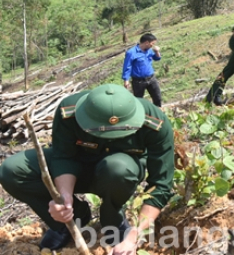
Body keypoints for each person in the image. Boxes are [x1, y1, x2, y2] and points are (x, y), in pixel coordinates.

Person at [0, 84, 175, 254]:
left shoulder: (154, 123)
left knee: (117, 168)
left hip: (118, 173)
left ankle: (113, 221)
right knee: (12, 170)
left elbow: (161, 184)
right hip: (79, 166)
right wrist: (64, 199)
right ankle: (70, 221)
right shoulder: (69, 112)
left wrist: (135, 234)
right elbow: (64, 157)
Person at [122, 33, 163, 107]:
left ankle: (158, 113)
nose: (153, 45)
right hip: (138, 81)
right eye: (152, 43)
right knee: (139, 101)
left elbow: (157, 58)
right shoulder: (131, 53)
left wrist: (157, 52)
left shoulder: (149, 50)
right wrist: (126, 80)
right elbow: (127, 66)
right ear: (147, 42)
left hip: (151, 78)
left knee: (157, 97)